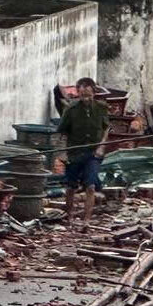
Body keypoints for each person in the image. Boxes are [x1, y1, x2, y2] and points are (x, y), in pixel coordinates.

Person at [56, 76, 109, 227]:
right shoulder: (71, 109)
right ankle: (69, 216)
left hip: (93, 153)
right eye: (83, 95)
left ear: (94, 93)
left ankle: (86, 220)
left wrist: (101, 147)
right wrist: (63, 153)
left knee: (90, 186)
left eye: (89, 95)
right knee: (71, 187)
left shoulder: (101, 108)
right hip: (74, 152)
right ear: (78, 94)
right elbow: (62, 132)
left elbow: (106, 128)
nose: (86, 98)